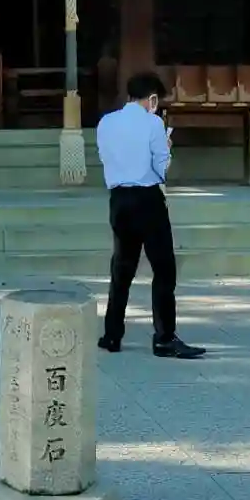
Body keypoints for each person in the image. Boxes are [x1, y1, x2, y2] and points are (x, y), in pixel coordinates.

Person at [95, 70, 205, 359]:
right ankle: (164, 337)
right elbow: (160, 168)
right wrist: (166, 149)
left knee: (122, 268)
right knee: (164, 269)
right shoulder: (153, 124)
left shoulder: (106, 122)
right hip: (147, 199)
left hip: (119, 199)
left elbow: (106, 158)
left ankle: (112, 335)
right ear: (152, 99)